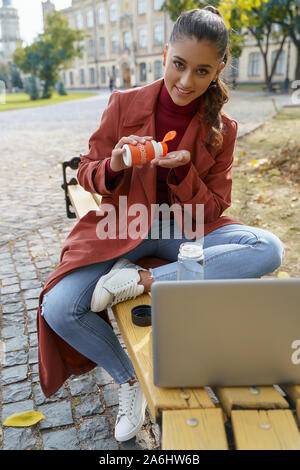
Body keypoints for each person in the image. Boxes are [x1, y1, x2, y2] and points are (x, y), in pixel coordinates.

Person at [38, 6, 285, 443]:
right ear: (165, 52)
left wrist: (182, 173)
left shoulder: (222, 129)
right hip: (122, 221)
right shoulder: (124, 104)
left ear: (219, 69)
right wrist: (113, 163)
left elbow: (215, 208)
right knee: (59, 307)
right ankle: (130, 380)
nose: (187, 81)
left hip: (186, 229)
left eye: (202, 70)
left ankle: (140, 279)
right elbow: (88, 172)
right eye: (179, 64)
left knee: (267, 249)